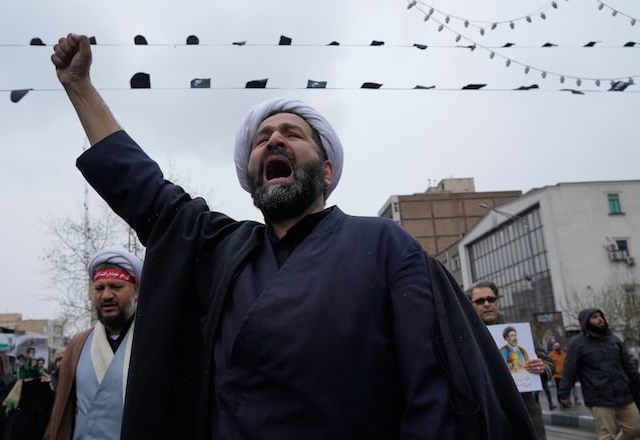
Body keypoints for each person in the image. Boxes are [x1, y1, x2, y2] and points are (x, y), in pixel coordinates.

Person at [49, 33, 538, 440]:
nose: (274, 139)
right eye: (262, 139)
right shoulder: (223, 252)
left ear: (326, 170)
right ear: (252, 176)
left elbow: (436, 394)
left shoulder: (386, 246)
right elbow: (146, 191)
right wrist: (80, 88)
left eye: (292, 133)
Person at [44, 248, 143, 440]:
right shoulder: (78, 344)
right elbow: (61, 412)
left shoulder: (152, 342)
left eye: (115, 286)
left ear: (136, 290)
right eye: (99, 288)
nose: (106, 295)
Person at [470, 281, 553, 440]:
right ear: (471, 305)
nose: (486, 304)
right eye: (480, 301)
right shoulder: (466, 335)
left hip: (524, 413)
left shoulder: (519, 331)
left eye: (491, 299)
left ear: (497, 302)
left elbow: (547, 362)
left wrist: (542, 367)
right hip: (486, 416)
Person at [558, 308, 640, 440]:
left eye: (600, 316)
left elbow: (628, 365)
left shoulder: (614, 340)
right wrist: (564, 393)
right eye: (594, 317)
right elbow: (569, 370)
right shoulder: (577, 344)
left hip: (624, 395)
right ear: (586, 321)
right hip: (599, 398)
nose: (600, 319)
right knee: (606, 436)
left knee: (634, 428)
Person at [549, 341, 580, 406]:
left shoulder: (564, 354)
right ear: (553, 347)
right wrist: (554, 371)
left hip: (564, 374)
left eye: (558, 346)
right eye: (555, 346)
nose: (557, 347)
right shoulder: (551, 355)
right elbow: (550, 364)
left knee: (567, 388)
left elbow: (568, 362)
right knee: (559, 388)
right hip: (557, 375)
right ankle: (561, 401)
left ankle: (567, 400)